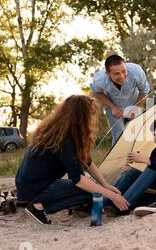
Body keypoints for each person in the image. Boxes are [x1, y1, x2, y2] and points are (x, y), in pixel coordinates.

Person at [15, 95, 130, 225]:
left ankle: (37, 203)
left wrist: (105, 185)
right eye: (91, 113)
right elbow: (78, 180)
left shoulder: (62, 132)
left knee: (96, 190)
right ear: (80, 116)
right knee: (93, 193)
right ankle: (39, 207)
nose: (93, 118)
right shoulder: (64, 139)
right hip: (35, 188)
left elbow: (86, 161)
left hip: (27, 186)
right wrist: (112, 195)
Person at [104, 117, 156, 216]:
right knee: (131, 172)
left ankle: (124, 205)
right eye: (155, 134)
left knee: (151, 168)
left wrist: (146, 159)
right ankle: (104, 202)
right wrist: (132, 168)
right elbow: (151, 173)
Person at [90, 54, 150, 145]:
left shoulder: (136, 71)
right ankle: (117, 158)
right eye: (117, 74)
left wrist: (135, 108)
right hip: (113, 107)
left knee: (137, 135)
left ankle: (136, 157)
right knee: (119, 136)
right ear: (108, 73)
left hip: (134, 103)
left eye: (124, 71)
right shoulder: (100, 79)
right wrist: (112, 107)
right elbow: (96, 92)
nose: (122, 76)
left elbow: (144, 91)